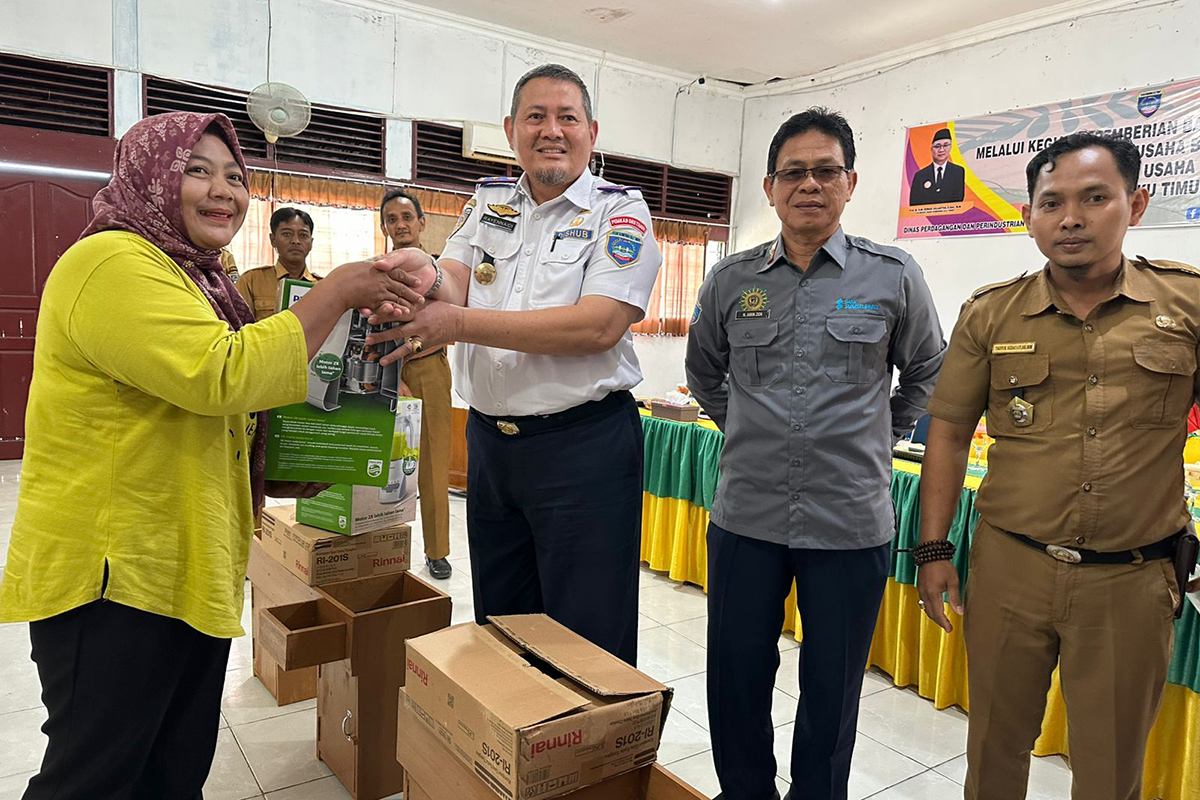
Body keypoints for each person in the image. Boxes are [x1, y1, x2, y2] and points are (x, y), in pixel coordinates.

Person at [0, 111, 419, 800]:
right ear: (151, 177)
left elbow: (214, 415)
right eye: (196, 170)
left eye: (233, 175)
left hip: (184, 565)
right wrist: (338, 291)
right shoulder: (109, 261)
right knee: (95, 780)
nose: (221, 190)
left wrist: (293, 465)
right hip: (114, 578)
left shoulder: (196, 277)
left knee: (172, 769)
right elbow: (220, 374)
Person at [916, 131, 1200, 800]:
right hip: (1011, 568)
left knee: (1108, 770)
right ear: (1030, 217)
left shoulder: (1186, 305)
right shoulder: (991, 313)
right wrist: (933, 548)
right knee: (993, 751)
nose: (1070, 218)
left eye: (1094, 198)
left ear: (1135, 205)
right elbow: (951, 433)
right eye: (1052, 203)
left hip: (1130, 582)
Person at [685, 107, 946, 800]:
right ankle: (745, 791)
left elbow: (928, 370)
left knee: (831, 684)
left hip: (849, 519)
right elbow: (703, 370)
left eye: (825, 170)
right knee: (736, 673)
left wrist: (880, 433)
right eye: (793, 172)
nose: (809, 184)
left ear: (850, 182)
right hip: (747, 515)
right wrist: (744, 425)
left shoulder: (893, 275)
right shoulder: (731, 280)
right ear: (770, 188)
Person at [366, 63, 663, 665]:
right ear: (511, 129)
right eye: (536, 116)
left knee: (587, 636)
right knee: (502, 624)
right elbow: (453, 276)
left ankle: (585, 756)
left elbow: (597, 325)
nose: (551, 130)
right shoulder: (491, 201)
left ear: (592, 131)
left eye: (567, 117)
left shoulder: (620, 214)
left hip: (582, 449)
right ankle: (516, 753)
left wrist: (457, 323)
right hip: (494, 447)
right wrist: (424, 276)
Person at [380, 187, 454, 580]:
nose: (400, 225)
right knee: (377, 462)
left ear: (422, 222)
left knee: (433, 464)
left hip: (428, 370)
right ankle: (375, 544)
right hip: (383, 374)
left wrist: (411, 355)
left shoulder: (442, 274)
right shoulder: (375, 270)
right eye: (392, 219)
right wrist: (393, 377)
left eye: (407, 217)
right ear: (384, 227)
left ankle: (437, 550)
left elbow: (454, 323)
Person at [236, 206, 319, 320]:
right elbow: (238, 328)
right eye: (287, 234)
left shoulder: (322, 286)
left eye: (303, 235)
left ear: (311, 243)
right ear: (273, 240)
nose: (296, 241)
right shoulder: (251, 281)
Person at [909, 127, 966, 205]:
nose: (941, 150)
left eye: (945, 145)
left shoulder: (958, 171)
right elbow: (914, 204)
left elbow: (958, 200)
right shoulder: (920, 176)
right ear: (931, 149)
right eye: (937, 146)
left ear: (950, 147)